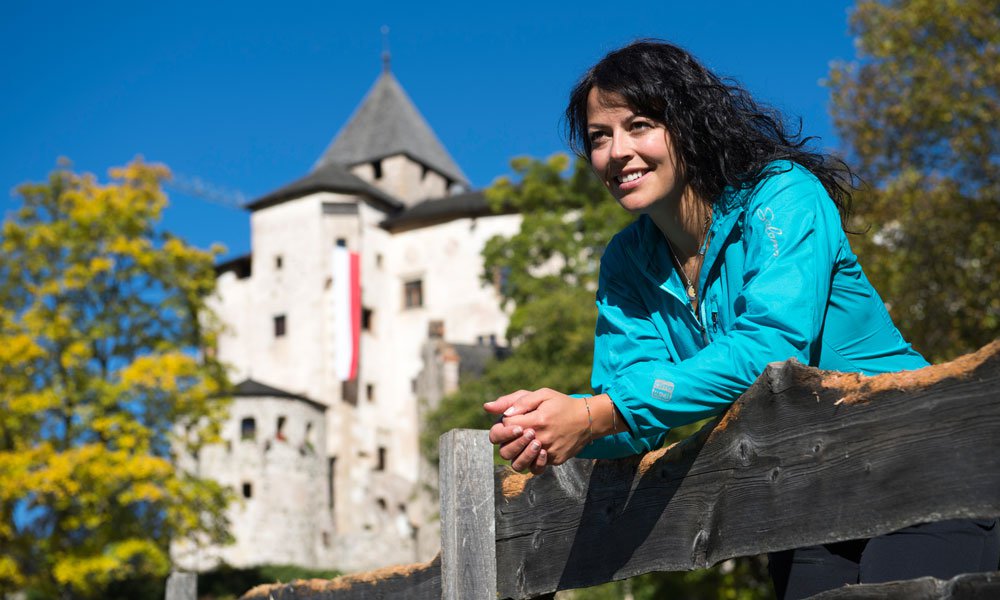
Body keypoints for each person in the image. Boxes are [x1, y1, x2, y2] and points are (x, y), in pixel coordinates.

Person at [483, 40, 999, 599]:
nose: (617, 152)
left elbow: (770, 349)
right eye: (599, 137)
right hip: (802, 494)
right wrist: (550, 429)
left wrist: (594, 414)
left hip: (918, 454)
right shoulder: (627, 261)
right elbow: (631, 411)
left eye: (638, 125)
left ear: (687, 124)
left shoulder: (781, 194)